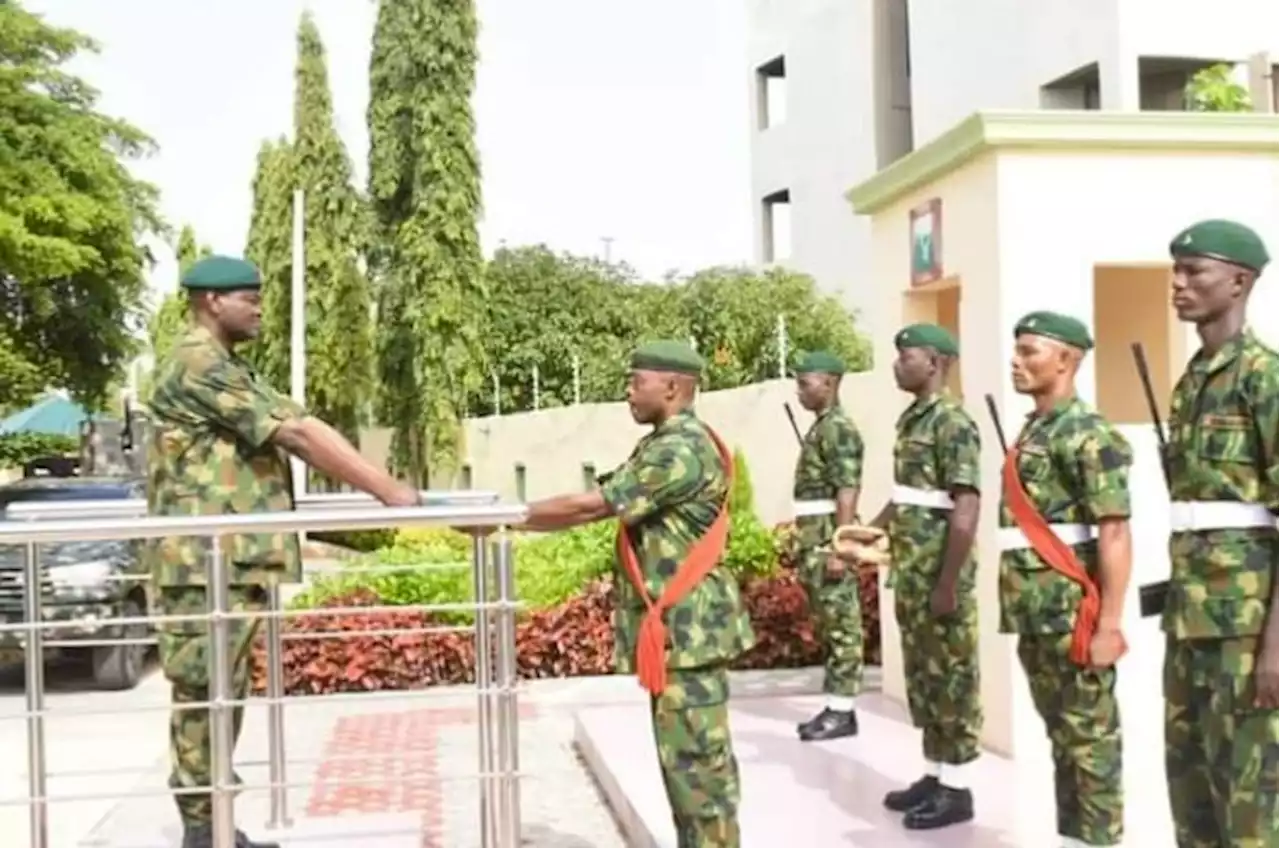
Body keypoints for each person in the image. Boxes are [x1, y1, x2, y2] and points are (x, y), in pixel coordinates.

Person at [145, 255, 420, 848]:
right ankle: (203, 830)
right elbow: (295, 433)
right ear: (212, 302)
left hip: (223, 564)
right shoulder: (198, 362)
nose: (260, 308)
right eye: (250, 297)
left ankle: (214, 824)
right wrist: (389, 491)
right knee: (206, 693)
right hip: (202, 566)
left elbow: (297, 420)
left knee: (223, 692)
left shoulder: (221, 363)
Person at [518, 340, 755, 848]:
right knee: (688, 770)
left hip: (689, 635)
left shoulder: (679, 447)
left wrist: (508, 518)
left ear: (671, 387)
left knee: (699, 778)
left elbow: (593, 506)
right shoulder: (667, 440)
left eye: (636, 380)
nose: (628, 390)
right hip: (680, 635)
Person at [1163, 219, 1280, 847]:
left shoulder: (1265, 377)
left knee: (1251, 798)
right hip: (1190, 620)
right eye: (1175, 272)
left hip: (1246, 627)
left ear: (1239, 282)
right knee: (1191, 790)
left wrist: (1276, 648)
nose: (1178, 284)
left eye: (1194, 272)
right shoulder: (1192, 381)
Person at [998, 311, 1132, 848]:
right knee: (1062, 738)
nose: (1017, 360)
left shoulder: (1088, 433)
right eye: (1017, 349)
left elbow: (1115, 532)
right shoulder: (1037, 427)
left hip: (1071, 613)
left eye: (1030, 351)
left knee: (1091, 744)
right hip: (1035, 613)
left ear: (1067, 360)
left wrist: (1110, 623)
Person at [860, 323, 982, 830]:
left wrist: (948, 582)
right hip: (911, 573)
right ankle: (934, 774)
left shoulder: (953, 422)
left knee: (951, 681)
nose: (896, 363)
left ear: (933, 362)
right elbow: (908, 495)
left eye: (904, 355)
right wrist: (870, 530)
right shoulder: (914, 419)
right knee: (925, 679)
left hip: (938, 576)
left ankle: (957, 790)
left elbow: (966, 506)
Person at [789, 350, 866, 742]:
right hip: (813, 535)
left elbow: (847, 489)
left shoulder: (838, 428)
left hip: (826, 537)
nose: (800, 391)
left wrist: (841, 545)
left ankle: (842, 711)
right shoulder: (823, 427)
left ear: (830, 384)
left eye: (806, 383)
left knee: (842, 626)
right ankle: (836, 704)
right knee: (828, 622)